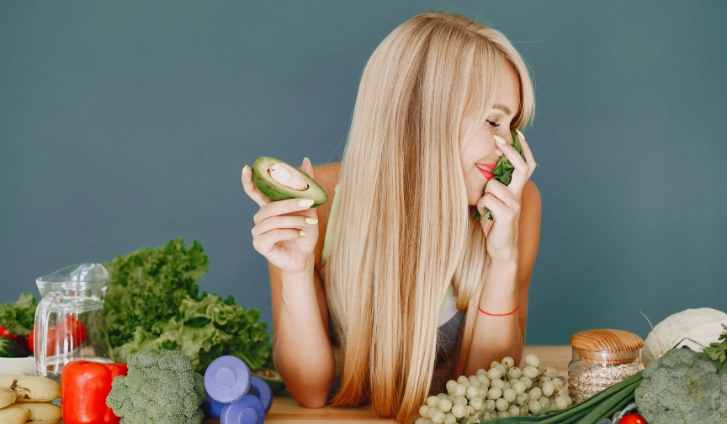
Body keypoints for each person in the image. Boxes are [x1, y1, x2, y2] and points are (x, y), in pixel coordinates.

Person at [241, 11, 540, 423]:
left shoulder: (515, 207)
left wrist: (502, 261)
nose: (510, 146)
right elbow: (310, 392)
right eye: (492, 120)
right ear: (422, 113)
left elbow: (489, 393)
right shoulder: (321, 203)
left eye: (512, 125)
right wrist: (295, 272)